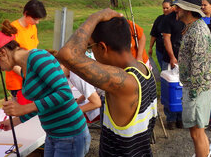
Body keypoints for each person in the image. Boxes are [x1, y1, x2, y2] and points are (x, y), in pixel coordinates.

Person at [56, 10, 157, 156]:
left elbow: (67, 55)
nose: (91, 52)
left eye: (90, 46)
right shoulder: (143, 69)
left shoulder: (123, 83)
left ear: (102, 47)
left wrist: (96, 16)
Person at [0, 21, 90, 157]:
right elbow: (42, 103)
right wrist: (17, 121)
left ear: (2, 52)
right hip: (53, 134)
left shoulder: (38, 58)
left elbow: (64, 93)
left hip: (69, 133)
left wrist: (23, 109)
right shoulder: (24, 69)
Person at [172, 0, 211, 157]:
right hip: (197, 88)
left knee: (197, 133)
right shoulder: (193, 27)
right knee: (198, 131)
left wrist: (193, 94)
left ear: (188, 10)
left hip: (197, 89)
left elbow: (198, 66)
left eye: (178, 7)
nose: (175, 9)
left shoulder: (197, 31)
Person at [7, 0, 46, 101]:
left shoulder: (33, 27)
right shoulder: (12, 29)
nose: (37, 22)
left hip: (31, 79)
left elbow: (34, 50)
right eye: (35, 19)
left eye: (38, 20)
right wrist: (25, 74)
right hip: (18, 82)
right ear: (25, 14)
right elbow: (8, 60)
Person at [160, 0, 185, 129]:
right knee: (169, 88)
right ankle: (170, 118)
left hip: (184, 58)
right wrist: (172, 57)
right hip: (169, 58)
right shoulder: (167, 19)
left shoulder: (186, 18)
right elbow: (166, 39)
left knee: (181, 89)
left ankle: (180, 117)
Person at [149, 0, 173, 71]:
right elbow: (154, 34)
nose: (165, 10)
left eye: (167, 8)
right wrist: (150, 47)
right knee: (164, 69)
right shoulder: (159, 19)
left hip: (172, 51)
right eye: (163, 8)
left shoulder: (176, 19)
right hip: (160, 49)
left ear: (172, 7)